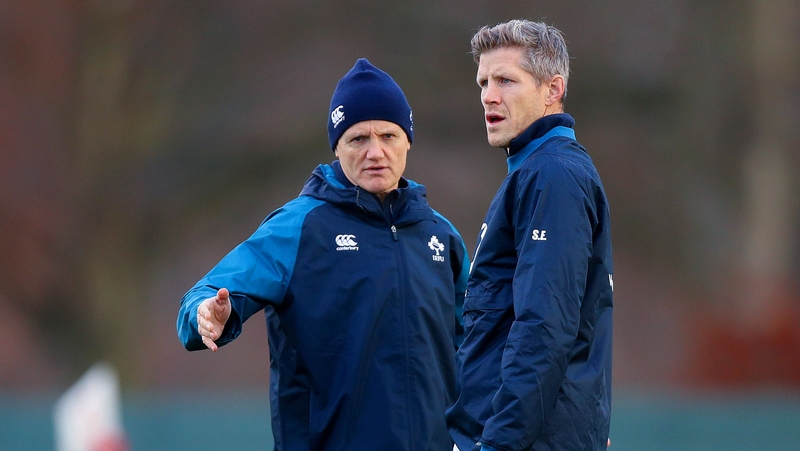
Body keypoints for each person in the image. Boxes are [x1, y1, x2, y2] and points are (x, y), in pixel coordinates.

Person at [177, 58, 470, 451]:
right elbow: (206, 295)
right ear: (337, 147)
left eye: (388, 135)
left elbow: (481, 344)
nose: (375, 151)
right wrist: (205, 315)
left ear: (408, 141)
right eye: (358, 139)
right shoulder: (300, 227)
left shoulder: (441, 236)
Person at [446, 20, 614, 451]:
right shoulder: (536, 173)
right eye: (483, 81)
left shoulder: (552, 176)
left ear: (552, 90)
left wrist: (497, 443)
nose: (488, 95)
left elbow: (545, 328)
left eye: (506, 80)